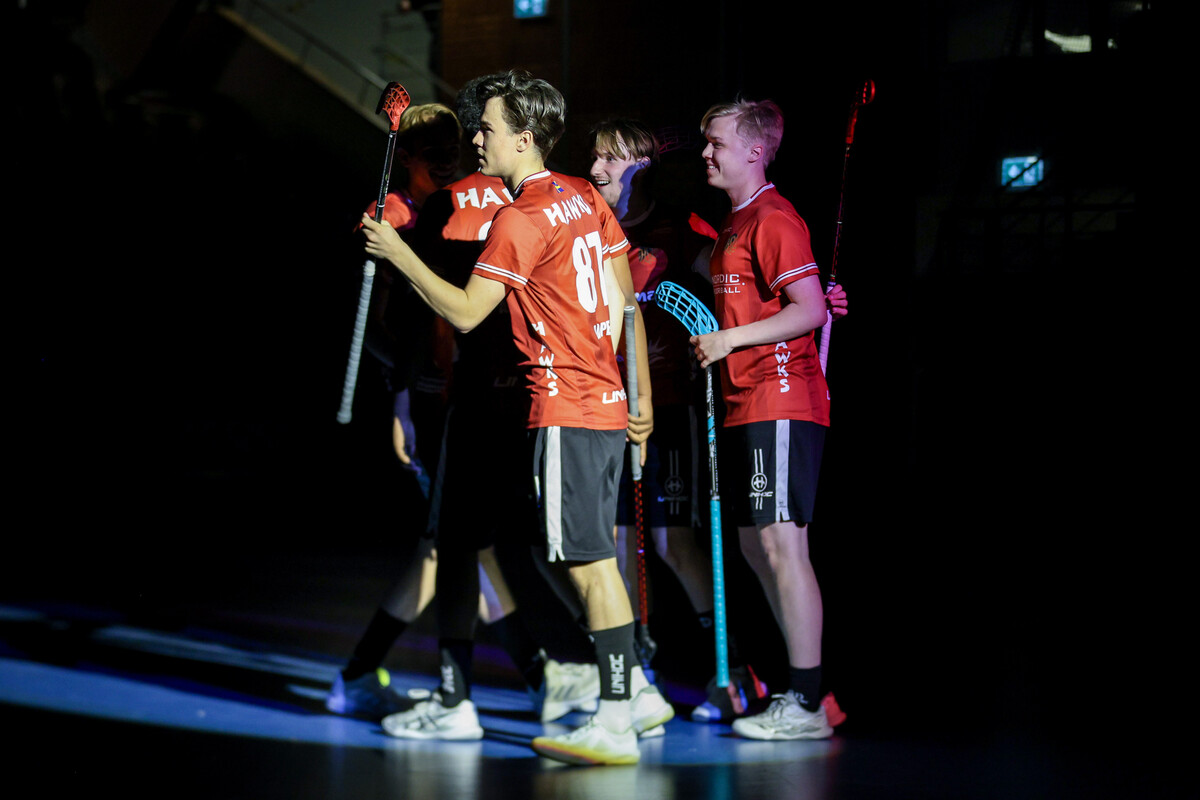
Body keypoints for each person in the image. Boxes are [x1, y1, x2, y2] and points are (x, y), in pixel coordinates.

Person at [362, 70, 671, 766]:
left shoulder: (519, 217)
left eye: (488, 129)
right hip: (605, 401)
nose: (477, 139)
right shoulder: (584, 195)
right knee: (587, 561)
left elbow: (467, 312)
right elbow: (627, 304)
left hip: (564, 403)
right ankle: (634, 696)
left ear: (524, 139)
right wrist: (642, 402)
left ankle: (617, 714)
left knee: (588, 565)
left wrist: (398, 252)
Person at [589, 118, 848, 724]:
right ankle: (642, 676)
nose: (597, 168)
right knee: (721, 545)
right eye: (594, 156)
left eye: (612, 158)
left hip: (691, 401)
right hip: (616, 402)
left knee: (700, 543)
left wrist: (812, 304)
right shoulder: (592, 225)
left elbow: (767, 297)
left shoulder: (696, 229)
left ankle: (778, 685)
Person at [689, 98, 841, 740]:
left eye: (716, 143)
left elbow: (809, 310)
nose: (705, 153)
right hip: (744, 400)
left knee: (782, 546)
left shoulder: (775, 218)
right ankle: (813, 692)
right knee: (757, 546)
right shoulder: (736, 222)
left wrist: (729, 339)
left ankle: (804, 702)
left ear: (755, 151)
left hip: (780, 398)